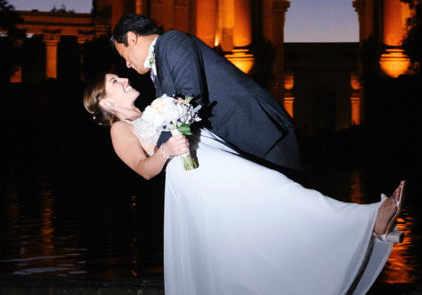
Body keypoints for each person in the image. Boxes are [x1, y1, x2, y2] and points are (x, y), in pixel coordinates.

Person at [84, 71, 404, 295]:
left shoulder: (152, 109)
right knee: (275, 203)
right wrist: (165, 150)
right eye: (115, 82)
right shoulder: (119, 130)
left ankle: (360, 225)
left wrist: (182, 115)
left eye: (119, 77)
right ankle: (366, 222)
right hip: (199, 182)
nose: (124, 80)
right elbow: (144, 170)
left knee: (279, 202)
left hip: (218, 161)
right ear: (107, 101)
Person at [111, 14, 301, 179]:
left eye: (123, 54)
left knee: (294, 203)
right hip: (238, 142)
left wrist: (163, 149)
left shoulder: (172, 41)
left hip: (259, 131)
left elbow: (189, 96)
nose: (127, 64)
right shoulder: (157, 71)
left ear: (132, 38)